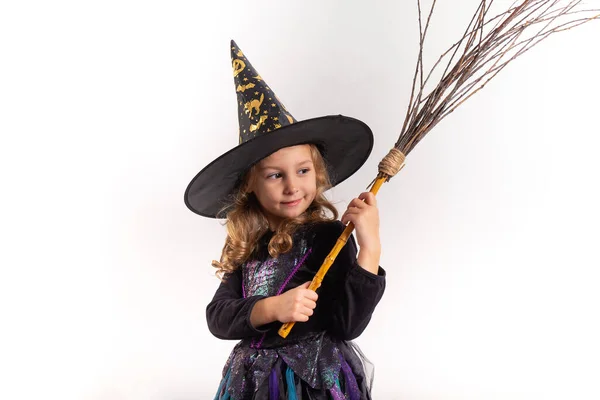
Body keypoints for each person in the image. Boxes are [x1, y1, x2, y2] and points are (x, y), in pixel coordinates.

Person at [185, 40, 386, 400]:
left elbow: (348, 324)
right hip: (253, 381)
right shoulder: (246, 245)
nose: (293, 186)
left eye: (303, 170)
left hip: (312, 383)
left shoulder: (330, 237)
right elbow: (218, 317)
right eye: (275, 175)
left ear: (318, 173)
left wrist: (369, 250)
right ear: (251, 184)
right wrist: (271, 308)